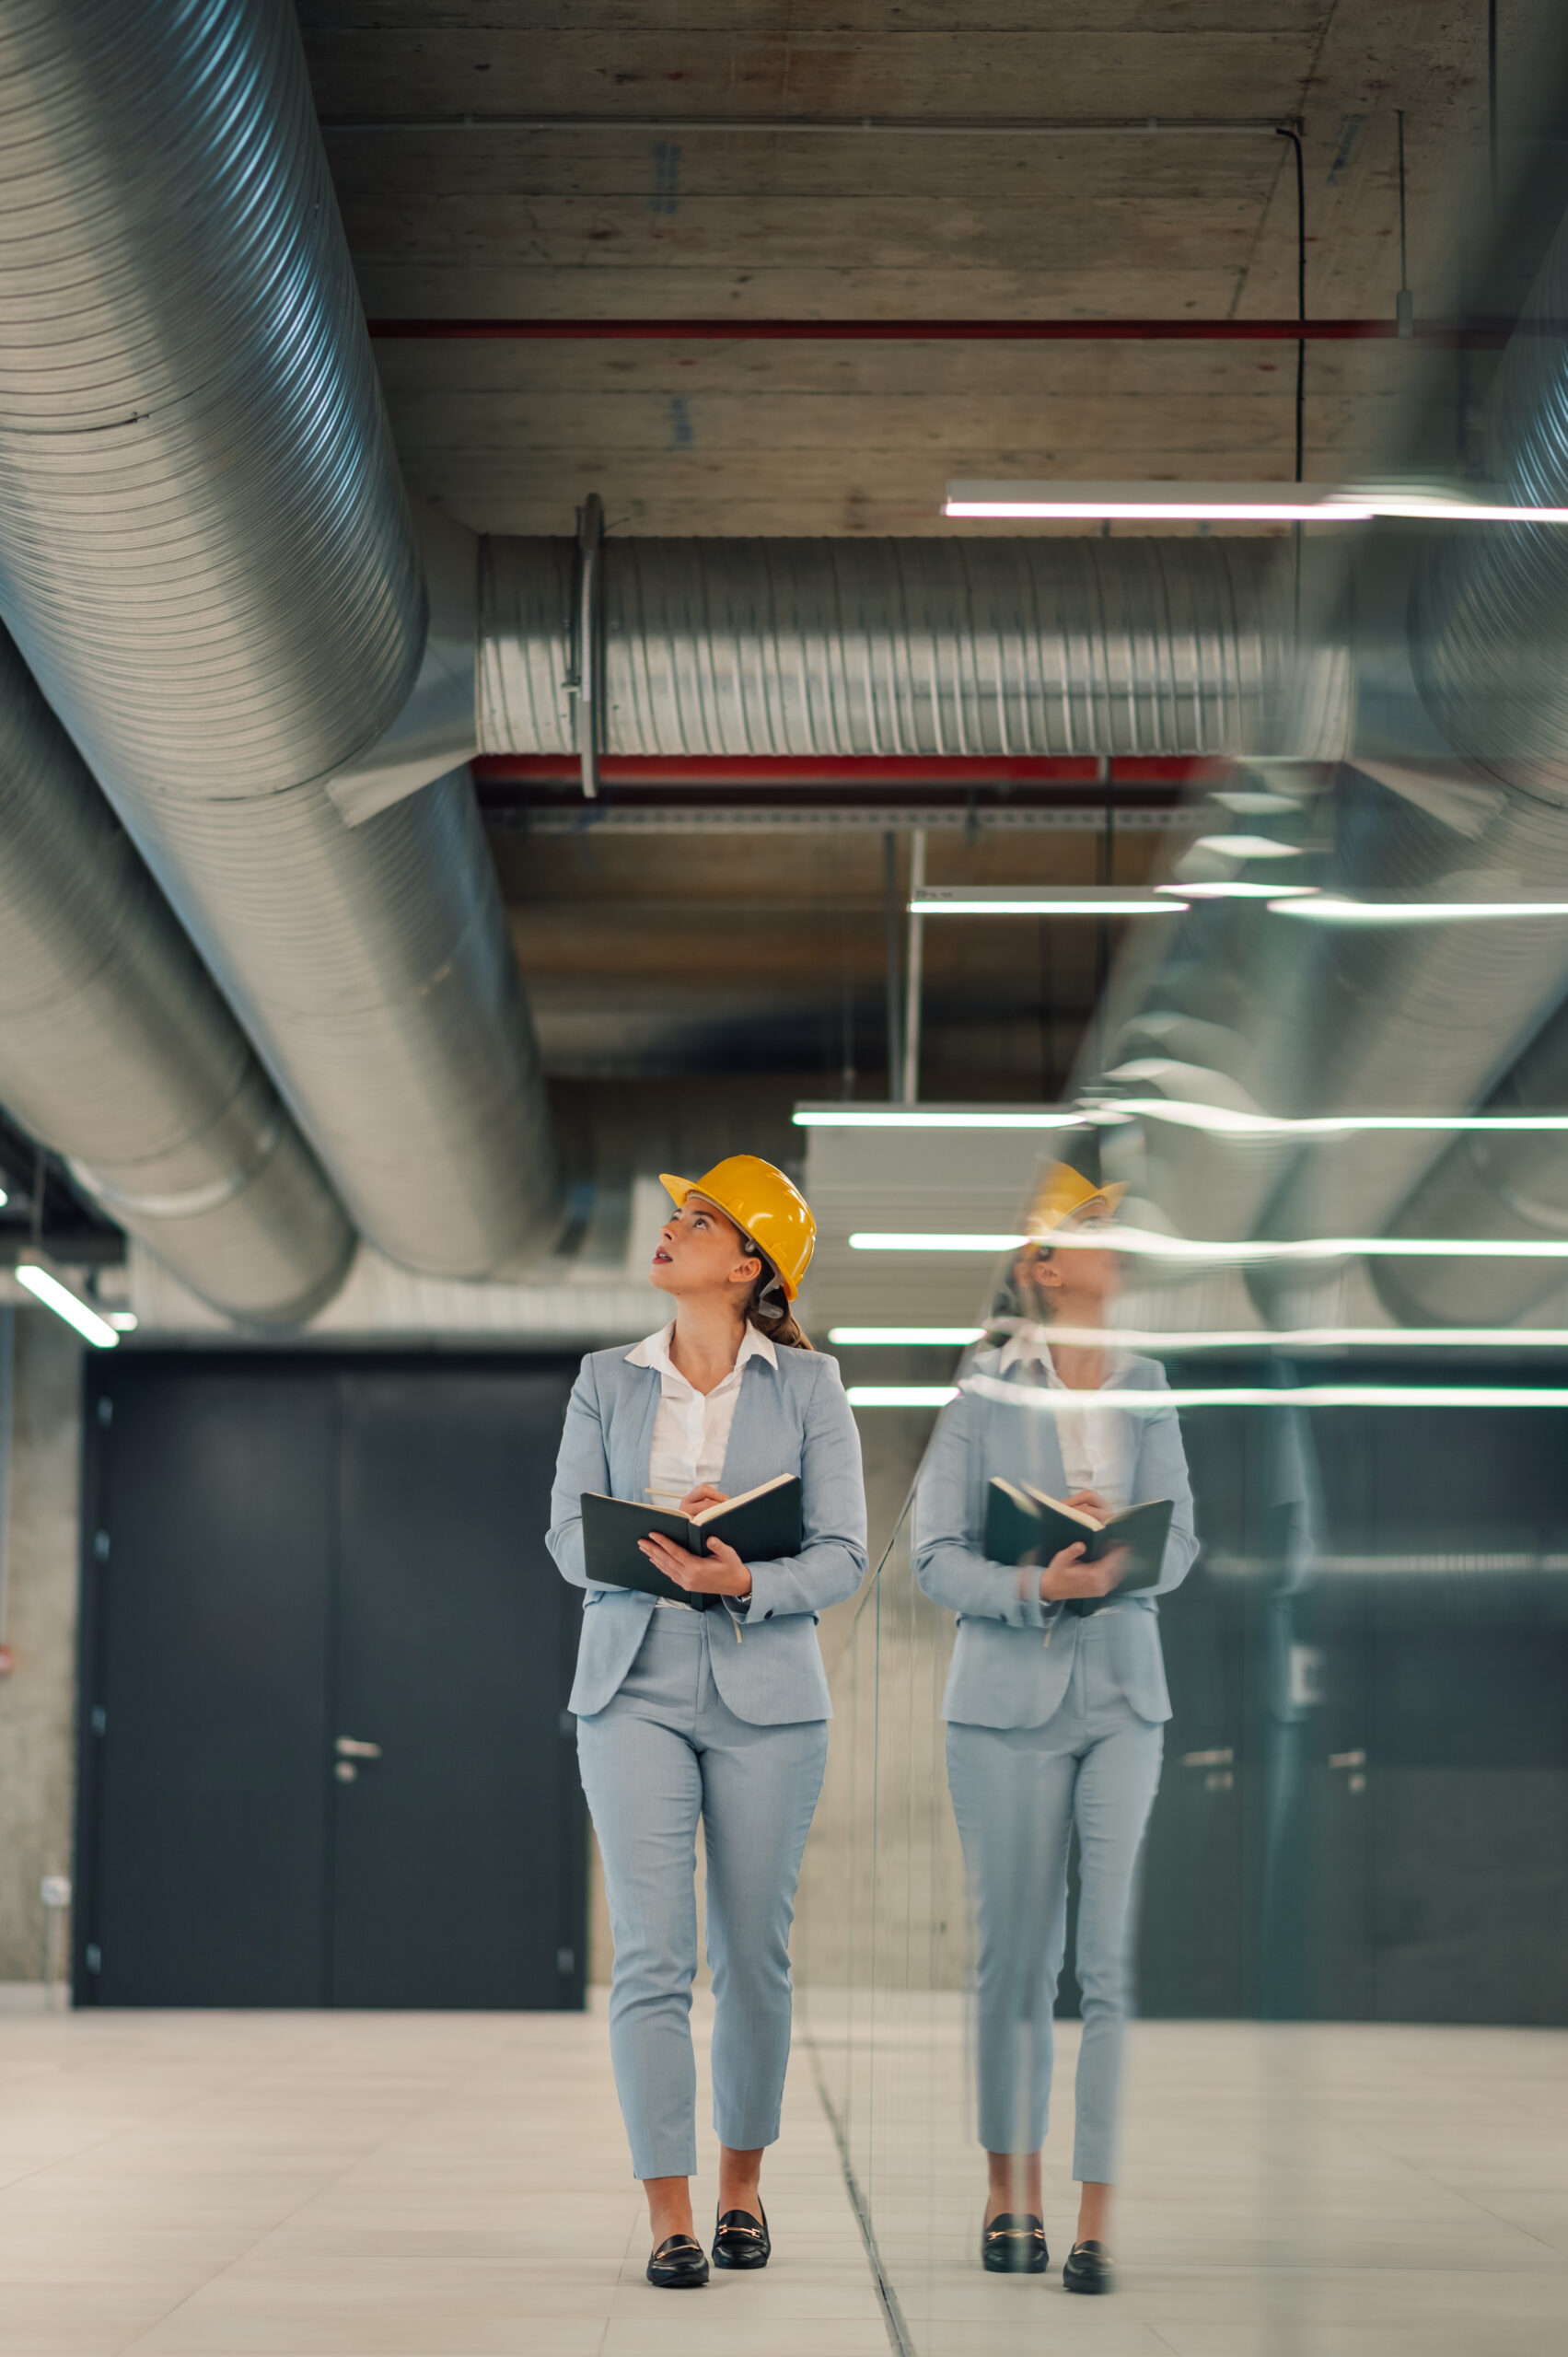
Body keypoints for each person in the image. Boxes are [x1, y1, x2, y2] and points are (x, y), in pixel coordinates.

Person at [548, 1155, 867, 2290]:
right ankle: (668, 2213)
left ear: (747, 1266)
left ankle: (741, 2187)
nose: (670, 1227)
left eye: (699, 1220)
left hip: (765, 1687)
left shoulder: (810, 1388)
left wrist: (743, 1577)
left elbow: (841, 1554)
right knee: (652, 1954)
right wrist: (653, 1541)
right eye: (673, 1214)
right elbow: (561, 1536)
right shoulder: (604, 1379)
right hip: (630, 1674)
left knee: (751, 1958)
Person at [912, 1162, 1197, 2295]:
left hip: (1124, 1693)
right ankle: (1008, 2194)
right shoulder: (983, 1391)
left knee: (1109, 1962)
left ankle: (1095, 2217)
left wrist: (1122, 1559)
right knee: (1014, 1964)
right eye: (1093, 1226)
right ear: (1042, 1264)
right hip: (1001, 1703)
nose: (1116, 1237)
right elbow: (935, 1557)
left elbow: (1179, 1545)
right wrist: (1041, 1583)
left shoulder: (1151, 1380)